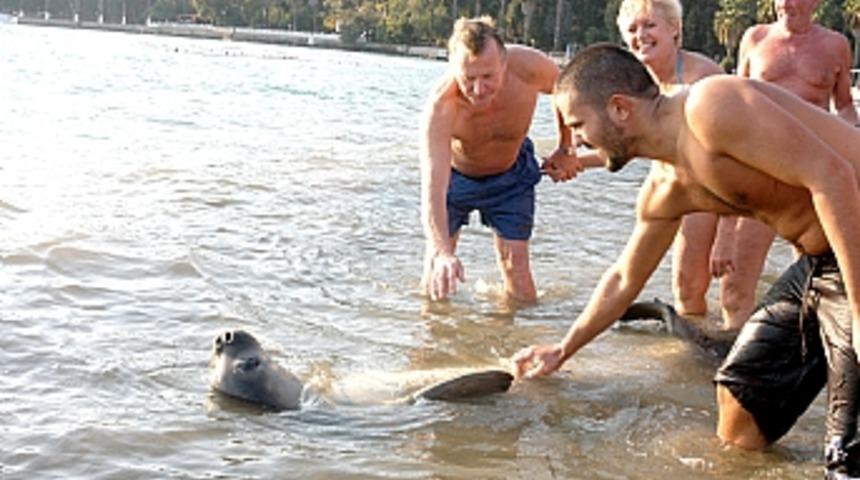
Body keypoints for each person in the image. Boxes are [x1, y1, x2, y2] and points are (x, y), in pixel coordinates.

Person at [512, 44, 860, 477]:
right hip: (819, 263)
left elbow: (834, 175)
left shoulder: (712, 106)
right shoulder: (666, 189)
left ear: (619, 108)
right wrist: (563, 350)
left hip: (855, 245)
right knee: (741, 407)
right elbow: (625, 278)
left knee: (845, 461)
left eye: (579, 125)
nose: (578, 141)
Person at [419, 16, 597, 304]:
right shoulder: (441, 107)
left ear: (504, 62)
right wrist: (441, 252)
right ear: (454, 69)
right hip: (456, 179)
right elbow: (433, 188)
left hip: (511, 175)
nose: (478, 90)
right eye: (469, 79)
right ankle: (431, 344)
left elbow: (566, 91)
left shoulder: (528, 66)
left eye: (488, 77)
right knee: (437, 276)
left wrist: (566, 147)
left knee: (520, 279)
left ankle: (518, 342)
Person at [711, 0, 860, 330]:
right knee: (735, 287)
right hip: (761, 172)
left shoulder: (835, 45)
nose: (785, 4)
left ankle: (804, 363)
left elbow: (845, 106)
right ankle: (732, 366)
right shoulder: (755, 38)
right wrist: (725, 221)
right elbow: (735, 106)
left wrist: (853, 145)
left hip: (812, 179)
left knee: (816, 284)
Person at [615, 0, 748, 329]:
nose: (640, 35)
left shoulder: (704, 79)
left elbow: (739, 159)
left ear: (674, 28)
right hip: (684, 185)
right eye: (632, 29)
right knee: (687, 287)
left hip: (732, 188)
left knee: (733, 291)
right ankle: (695, 364)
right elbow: (631, 146)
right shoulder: (637, 83)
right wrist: (574, 160)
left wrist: (727, 233)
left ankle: (743, 359)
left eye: (649, 25)